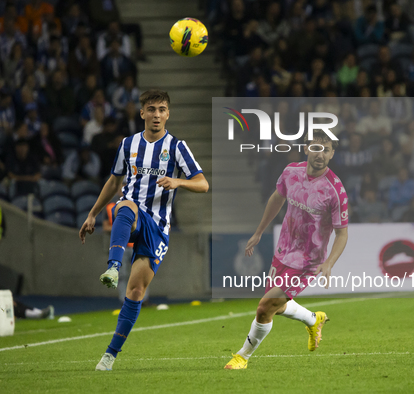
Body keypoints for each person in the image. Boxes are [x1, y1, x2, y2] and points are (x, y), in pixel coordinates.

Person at [78, 90, 209, 371]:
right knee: (125, 205)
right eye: (151, 109)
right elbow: (114, 183)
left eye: (162, 109)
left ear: (168, 114)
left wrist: (179, 182)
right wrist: (93, 213)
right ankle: (113, 267)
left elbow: (202, 183)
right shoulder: (128, 144)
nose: (157, 115)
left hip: (158, 228)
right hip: (133, 213)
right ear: (142, 114)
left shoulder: (176, 147)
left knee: (136, 291)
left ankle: (109, 355)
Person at [224, 130, 349, 370]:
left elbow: (342, 233)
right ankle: (314, 320)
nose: (320, 153)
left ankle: (242, 356)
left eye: (325, 149)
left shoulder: (335, 190)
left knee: (264, 307)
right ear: (306, 149)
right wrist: (259, 231)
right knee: (277, 305)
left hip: (308, 262)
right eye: (315, 148)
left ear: (332, 154)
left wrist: (329, 262)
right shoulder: (291, 172)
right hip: (283, 252)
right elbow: (276, 198)